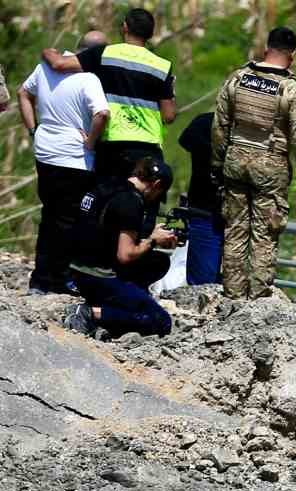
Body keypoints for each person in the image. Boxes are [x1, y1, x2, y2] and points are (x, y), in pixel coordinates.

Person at [211, 27, 296, 299]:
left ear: (266, 48)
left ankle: (232, 296)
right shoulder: (292, 89)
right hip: (271, 167)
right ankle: (257, 302)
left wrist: (218, 164)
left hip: (234, 162)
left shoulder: (237, 78)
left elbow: (220, 126)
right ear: (292, 56)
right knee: (264, 235)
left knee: (234, 230)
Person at [18, 31, 109, 295]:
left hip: (45, 151)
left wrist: (33, 129)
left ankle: (40, 279)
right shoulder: (88, 78)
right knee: (69, 221)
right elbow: (102, 113)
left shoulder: (44, 68)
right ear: (96, 54)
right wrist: (91, 142)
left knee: (50, 216)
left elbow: (23, 92)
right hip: (74, 158)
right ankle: (58, 279)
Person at [41, 8, 174, 180]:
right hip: (148, 148)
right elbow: (169, 116)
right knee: (143, 204)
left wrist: (47, 52)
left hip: (113, 145)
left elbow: (59, 64)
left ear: (125, 27)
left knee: (108, 202)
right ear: (150, 34)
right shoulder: (162, 66)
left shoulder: (104, 54)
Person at [60, 156, 179, 338]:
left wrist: (149, 235)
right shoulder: (131, 201)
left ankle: (121, 302)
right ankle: (90, 313)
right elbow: (126, 255)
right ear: (156, 184)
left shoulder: (106, 187)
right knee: (160, 321)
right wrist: (153, 240)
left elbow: (106, 230)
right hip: (100, 276)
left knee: (158, 261)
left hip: (77, 268)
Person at [177, 112, 222, 285]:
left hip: (213, 211)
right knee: (203, 284)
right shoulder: (206, 123)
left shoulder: (205, 123)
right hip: (207, 212)